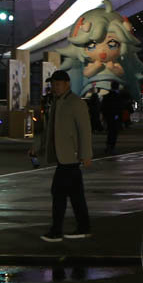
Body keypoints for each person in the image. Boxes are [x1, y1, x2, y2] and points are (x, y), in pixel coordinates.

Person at [33, 70, 93, 242]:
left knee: (58, 192)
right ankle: (83, 227)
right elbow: (49, 130)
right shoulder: (56, 102)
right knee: (75, 195)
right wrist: (38, 148)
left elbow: (84, 130)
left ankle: (56, 231)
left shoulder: (76, 103)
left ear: (67, 84)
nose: (54, 87)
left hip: (70, 156)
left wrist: (86, 154)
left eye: (57, 84)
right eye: (53, 84)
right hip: (64, 156)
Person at [102, 87, 130, 152]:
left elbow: (103, 107)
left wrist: (105, 116)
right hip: (115, 116)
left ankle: (108, 145)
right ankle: (112, 146)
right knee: (114, 132)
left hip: (109, 116)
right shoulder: (118, 97)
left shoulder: (106, 96)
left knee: (110, 131)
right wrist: (118, 116)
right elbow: (120, 107)